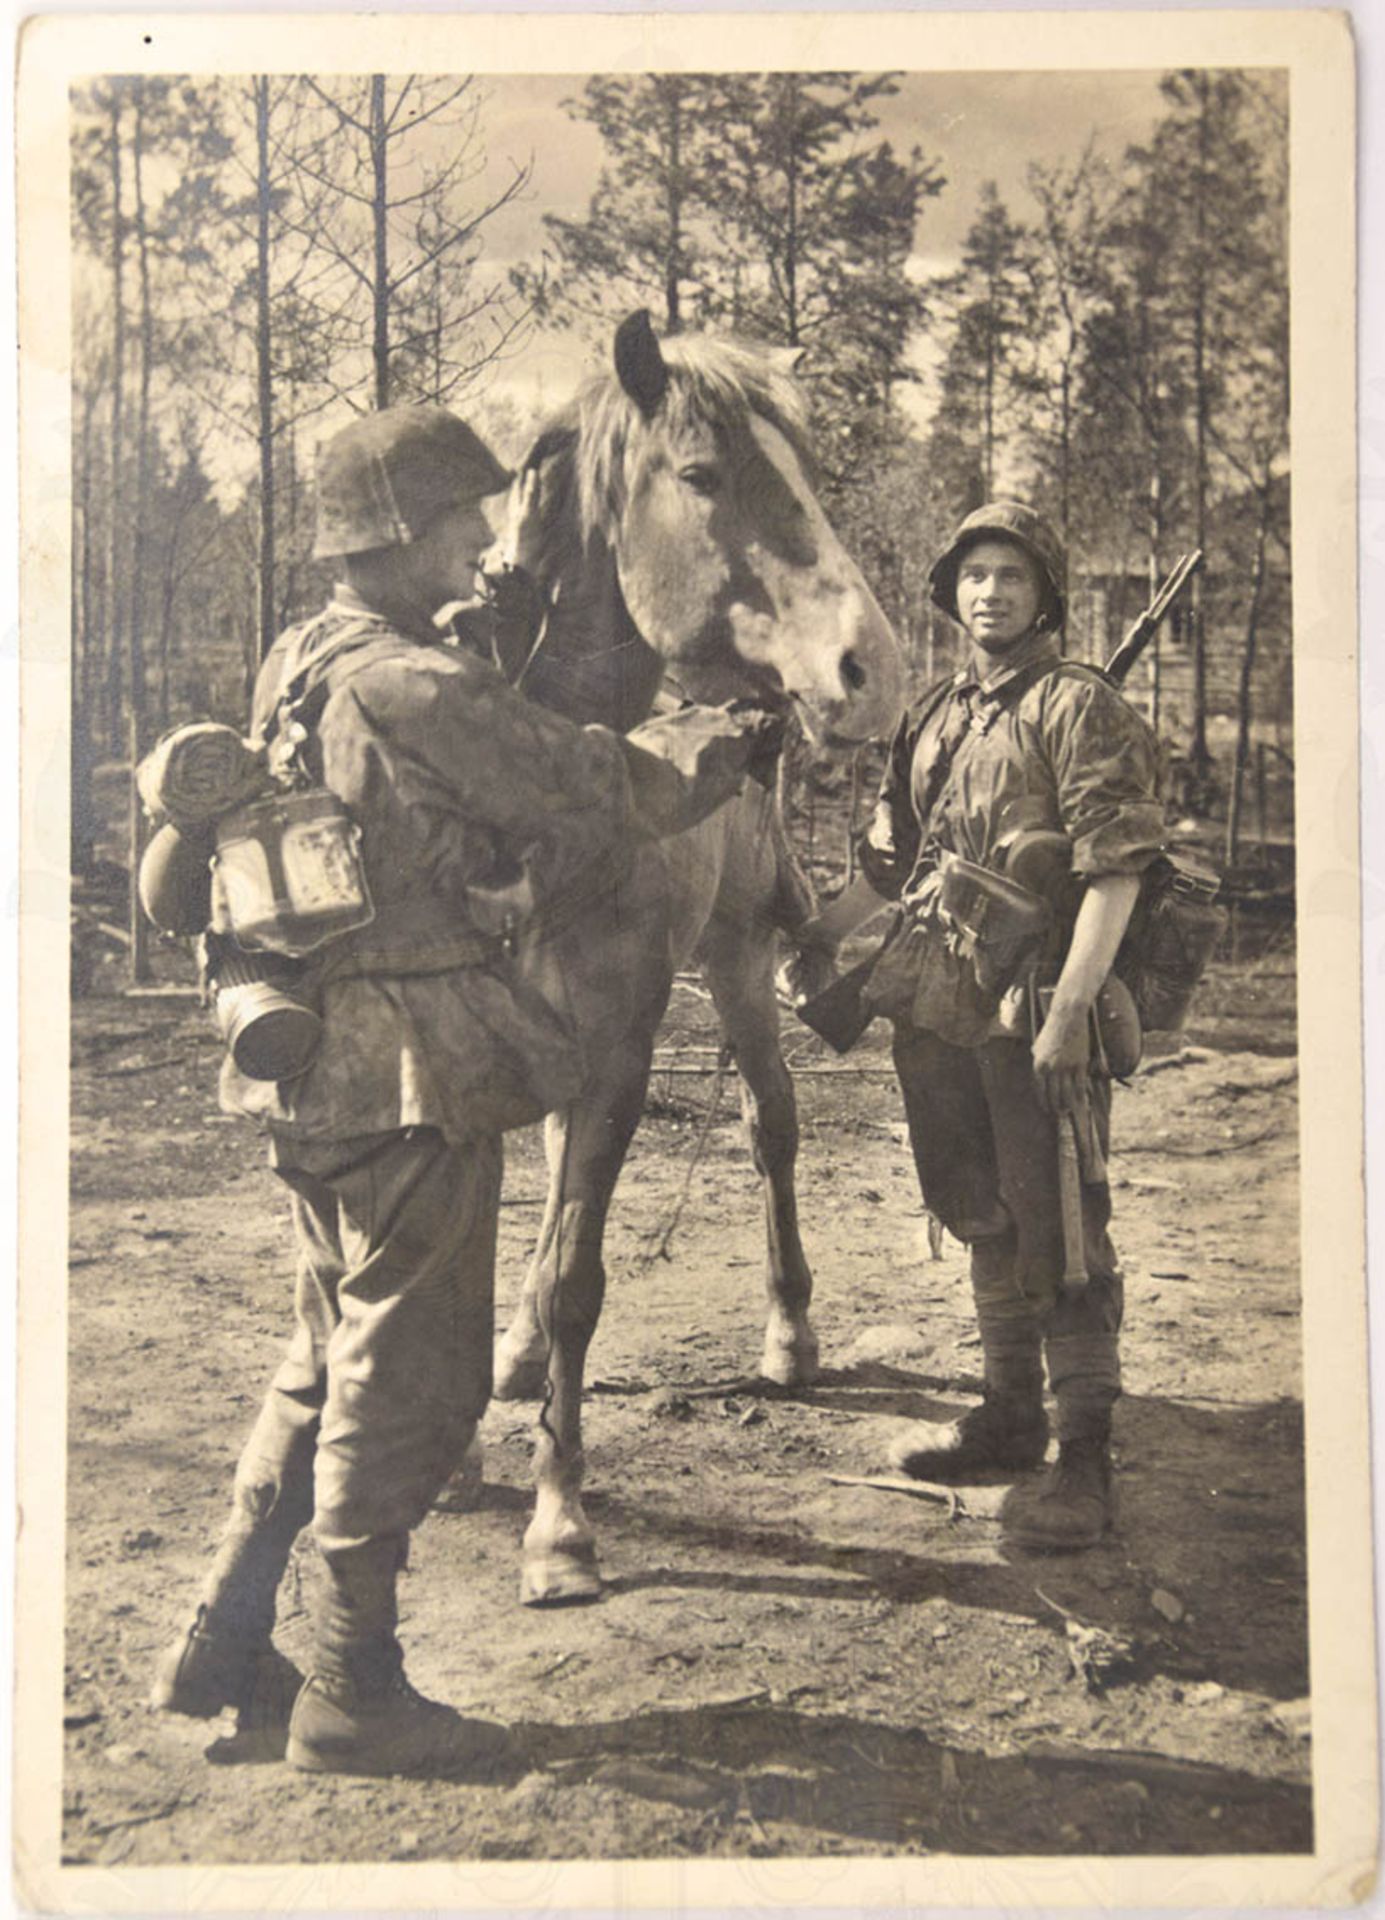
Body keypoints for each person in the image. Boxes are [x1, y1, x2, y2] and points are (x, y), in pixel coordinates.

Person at [143, 404, 776, 1776]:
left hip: (311, 1064)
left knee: (323, 1361)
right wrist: (701, 749)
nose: (487, 539)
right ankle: (351, 1690)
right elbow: (572, 782)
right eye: (461, 520)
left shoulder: (307, 656)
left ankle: (233, 1646)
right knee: (417, 1380)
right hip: (409, 1067)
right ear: (399, 532)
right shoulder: (404, 683)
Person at [855, 501, 1163, 1552]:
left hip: (1039, 1002)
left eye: (1011, 577)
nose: (988, 592)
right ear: (951, 593)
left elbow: (1115, 868)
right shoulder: (935, 709)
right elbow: (888, 853)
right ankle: (1006, 1415)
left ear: (1043, 595)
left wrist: (1071, 1011)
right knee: (979, 1208)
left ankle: (1082, 1458)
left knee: (1061, 1226)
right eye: (973, 576)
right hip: (941, 1008)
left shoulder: (1079, 707)